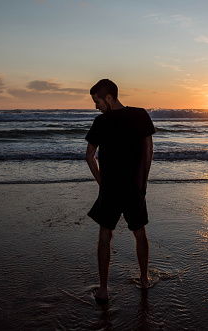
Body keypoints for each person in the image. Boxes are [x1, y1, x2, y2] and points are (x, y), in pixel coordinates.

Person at [85, 79, 155, 304]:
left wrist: (101, 182)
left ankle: (104, 290)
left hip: (111, 189)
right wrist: (143, 180)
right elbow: (149, 150)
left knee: (105, 235)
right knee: (139, 232)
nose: (96, 106)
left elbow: (89, 156)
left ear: (108, 98)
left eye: (97, 101)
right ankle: (144, 279)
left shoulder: (101, 122)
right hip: (134, 186)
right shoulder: (140, 115)